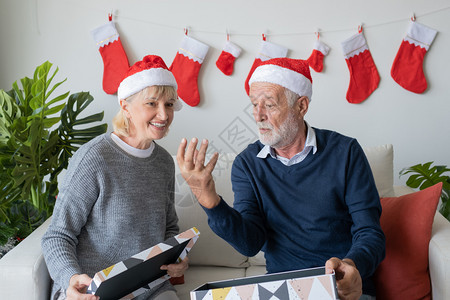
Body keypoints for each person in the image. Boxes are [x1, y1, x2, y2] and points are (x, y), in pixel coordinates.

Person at [177, 58, 385, 300]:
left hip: (340, 287)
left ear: (301, 106)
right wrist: (210, 201)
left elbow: (370, 232)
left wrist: (351, 265)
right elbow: (250, 244)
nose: (258, 115)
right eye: (254, 105)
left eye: (269, 105)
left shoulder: (346, 152)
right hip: (282, 290)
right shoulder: (247, 164)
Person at [42, 55, 187, 300]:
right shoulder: (94, 158)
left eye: (170, 104)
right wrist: (70, 278)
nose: (163, 115)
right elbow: (57, 235)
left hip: (150, 287)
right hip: (95, 291)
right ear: (126, 106)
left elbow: (169, 227)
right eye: (152, 103)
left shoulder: (163, 161)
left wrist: (179, 258)